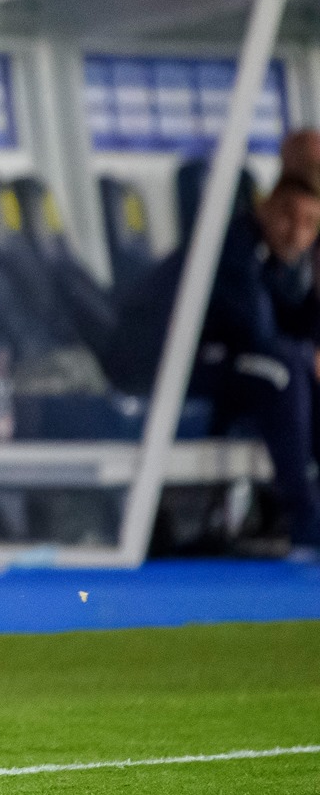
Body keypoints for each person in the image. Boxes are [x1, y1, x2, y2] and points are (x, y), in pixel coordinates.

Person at [107, 162, 320, 554]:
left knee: (292, 365)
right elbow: (260, 335)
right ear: (266, 206)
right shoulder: (234, 247)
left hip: (209, 363)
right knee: (280, 372)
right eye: (290, 217)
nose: (298, 233)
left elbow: (288, 324)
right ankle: (305, 518)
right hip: (155, 365)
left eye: (311, 224)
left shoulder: (272, 260)